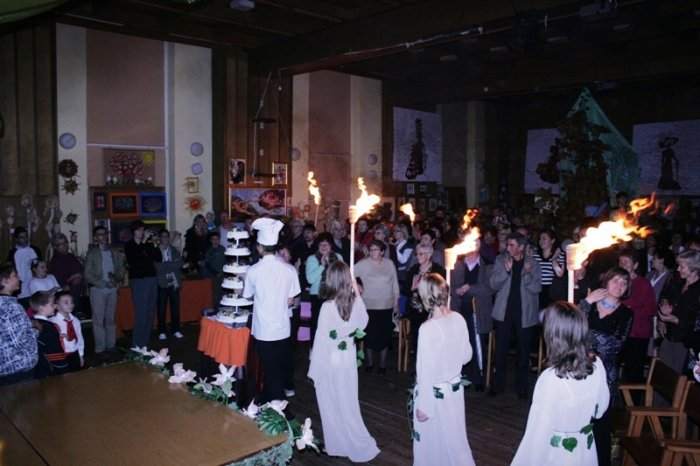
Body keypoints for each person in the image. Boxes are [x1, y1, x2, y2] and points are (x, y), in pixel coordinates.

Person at [511, 301, 610, 466]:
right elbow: (599, 411)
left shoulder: (551, 378)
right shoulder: (597, 364)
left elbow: (538, 433)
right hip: (585, 449)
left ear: (552, 335)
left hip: (557, 454)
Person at [308, 262, 380, 463]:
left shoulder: (327, 307)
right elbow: (364, 322)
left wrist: (315, 368)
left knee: (330, 402)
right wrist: (357, 293)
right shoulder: (355, 304)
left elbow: (321, 339)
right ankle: (346, 441)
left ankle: (338, 443)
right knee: (347, 400)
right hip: (347, 357)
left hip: (330, 359)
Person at [412, 273, 475, 466]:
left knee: (432, 444)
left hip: (434, 395)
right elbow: (467, 356)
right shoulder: (458, 318)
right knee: (455, 440)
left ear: (426, 296)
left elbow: (424, 371)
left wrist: (424, 406)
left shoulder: (427, 329)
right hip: (454, 392)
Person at [243, 218, 301, 403]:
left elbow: (247, 296)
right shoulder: (289, 269)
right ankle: (270, 397)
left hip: (264, 328)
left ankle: (277, 403)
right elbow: (292, 298)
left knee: (270, 367)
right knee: (277, 365)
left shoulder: (253, 270)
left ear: (259, 248)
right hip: (283, 327)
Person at [579, 268, 633, 466]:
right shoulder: (590, 305)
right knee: (579, 418)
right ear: (606, 281)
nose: (619, 286)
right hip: (581, 370)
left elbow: (616, 345)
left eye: (624, 283)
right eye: (616, 280)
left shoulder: (626, 313)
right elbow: (572, 327)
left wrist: (588, 340)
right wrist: (586, 302)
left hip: (605, 374)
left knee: (601, 423)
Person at [489, 232, 542, 398]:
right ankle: (497, 386)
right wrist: (505, 272)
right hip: (504, 312)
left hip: (525, 314)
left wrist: (527, 274)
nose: (508, 248)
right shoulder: (501, 260)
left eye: (512, 245)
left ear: (521, 247)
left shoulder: (533, 263)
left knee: (523, 352)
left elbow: (537, 288)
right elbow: (493, 284)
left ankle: (522, 388)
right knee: (500, 351)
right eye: (507, 244)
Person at [450, 245, 494, 390]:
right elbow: (449, 285)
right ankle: (463, 376)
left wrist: (470, 288)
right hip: (459, 310)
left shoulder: (487, 266)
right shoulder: (456, 264)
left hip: (477, 312)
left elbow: (490, 288)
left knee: (477, 345)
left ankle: (478, 377)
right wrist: (456, 291)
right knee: (460, 345)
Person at [354, 240, 400, 374]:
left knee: (384, 336)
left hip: (387, 305)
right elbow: (349, 274)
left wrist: (396, 302)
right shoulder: (363, 264)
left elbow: (395, 283)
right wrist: (357, 286)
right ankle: (369, 363)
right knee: (369, 335)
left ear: (382, 251)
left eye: (376, 249)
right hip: (369, 305)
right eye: (371, 249)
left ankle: (382, 365)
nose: (373, 252)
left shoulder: (389, 264)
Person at [85, 225, 125, 359]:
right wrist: (102, 283)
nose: (103, 236)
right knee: (98, 320)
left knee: (110, 319)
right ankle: (100, 348)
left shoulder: (114, 251)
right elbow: (87, 274)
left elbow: (121, 268)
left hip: (112, 289)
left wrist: (117, 279)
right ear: (96, 238)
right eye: (100, 234)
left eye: (105, 233)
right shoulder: (92, 253)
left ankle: (111, 345)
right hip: (98, 289)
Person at [618, 250, 656, 385]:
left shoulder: (643, 283)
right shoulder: (616, 282)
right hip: (621, 332)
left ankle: (633, 396)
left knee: (634, 371)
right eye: (620, 262)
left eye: (626, 262)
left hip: (637, 333)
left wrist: (628, 309)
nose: (622, 265)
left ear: (635, 265)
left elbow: (651, 309)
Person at [658, 250, 700, 372]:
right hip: (669, 336)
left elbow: (696, 324)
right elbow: (664, 296)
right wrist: (662, 318)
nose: (678, 269)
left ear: (694, 268)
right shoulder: (677, 281)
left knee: (677, 377)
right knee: (662, 373)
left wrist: (676, 320)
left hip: (687, 343)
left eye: (682, 266)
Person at [404, 243, 446, 362]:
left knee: (431, 340)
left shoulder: (438, 270)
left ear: (430, 254)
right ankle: (419, 364)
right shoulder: (413, 269)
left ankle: (431, 363)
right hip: (415, 310)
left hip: (431, 310)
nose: (418, 256)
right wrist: (412, 288)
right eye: (417, 254)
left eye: (421, 254)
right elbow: (405, 291)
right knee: (418, 338)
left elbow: (442, 291)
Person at [0, 265, 37, 385]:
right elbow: (20, 341)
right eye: (15, 275)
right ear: (4, 281)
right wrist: (36, 329)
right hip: (17, 368)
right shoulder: (11, 307)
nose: (19, 278)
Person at [124, 220, 159, 348]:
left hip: (151, 279)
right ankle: (137, 344)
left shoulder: (147, 245)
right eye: (139, 230)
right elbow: (134, 261)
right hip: (139, 281)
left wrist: (154, 244)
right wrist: (143, 243)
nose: (142, 232)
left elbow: (158, 257)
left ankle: (144, 343)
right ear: (134, 231)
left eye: (143, 230)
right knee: (141, 313)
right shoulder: (130, 245)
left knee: (150, 313)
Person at [305, 233, 343, 342]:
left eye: (326, 244)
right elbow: (310, 280)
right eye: (321, 244)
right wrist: (322, 265)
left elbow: (342, 276)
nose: (324, 247)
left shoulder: (338, 257)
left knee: (334, 325)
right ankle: (315, 348)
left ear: (331, 246)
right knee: (317, 325)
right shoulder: (312, 258)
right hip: (317, 296)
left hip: (335, 295)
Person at [31, 291, 69, 378]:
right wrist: (63, 367)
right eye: (52, 304)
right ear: (41, 308)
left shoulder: (31, 321)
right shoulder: (48, 327)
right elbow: (54, 350)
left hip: (36, 366)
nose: (55, 306)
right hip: (49, 369)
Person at [154, 229, 184, 341]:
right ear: (159, 238)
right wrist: (170, 265)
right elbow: (157, 267)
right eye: (163, 236)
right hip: (161, 283)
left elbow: (179, 264)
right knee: (161, 308)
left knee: (175, 308)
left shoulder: (174, 250)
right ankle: (162, 331)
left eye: (167, 236)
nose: (165, 239)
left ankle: (176, 329)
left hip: (174, 283)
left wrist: (166, 265)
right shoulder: (156, 251)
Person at [50, 290, 84, 372]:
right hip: (60, 356)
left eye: (72, 302)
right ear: (57, 306)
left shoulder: (75, 321)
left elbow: (80, 338)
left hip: (75, 353)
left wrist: (81, 355)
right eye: (66, 302)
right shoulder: (52, 322)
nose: (70, 304)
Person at [48, 232, 84, 309]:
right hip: (66, 298)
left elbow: (81, 271)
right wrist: (73, 277)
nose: (65, 245)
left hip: (78, 294)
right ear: (55, 247)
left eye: (65, 242)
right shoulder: (55, 261)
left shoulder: (70, 256)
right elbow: (61, 284)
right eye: (61, 244)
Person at [6, 226, 41, 304]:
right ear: (16, 239)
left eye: (26, 237)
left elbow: (38, 265)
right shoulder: (13, 252)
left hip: (31, 283)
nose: (25, 239)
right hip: (18, 285)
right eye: (22, 237)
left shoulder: (33, 250)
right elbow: (9, 268)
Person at [204, 231, 226, 308]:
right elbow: (207, 264)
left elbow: (226, 261)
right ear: (211, 240)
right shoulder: (209, 251)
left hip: (223, 275)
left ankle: (225, 309)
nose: (215, 241)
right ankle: (217, 309)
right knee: (216, 294)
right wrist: (215, 273)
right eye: (213, 239)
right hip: (214, 276)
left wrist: (223, 272)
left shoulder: (223, 249)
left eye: (217, 239)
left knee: (224, 293)